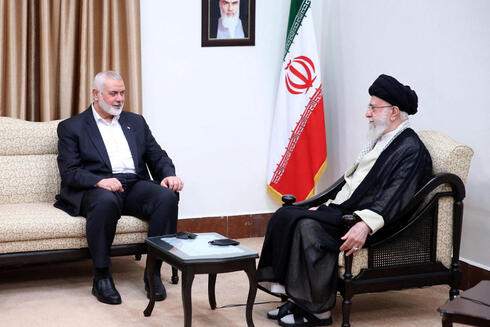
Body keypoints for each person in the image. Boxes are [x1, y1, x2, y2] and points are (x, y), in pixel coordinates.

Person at [256, 74, 433, 327]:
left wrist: (365, 225)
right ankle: (295, 297)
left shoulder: (410, 149)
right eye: (369, 107)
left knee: (307, 226)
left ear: (394, 112)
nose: (367, 113)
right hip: (347, 211)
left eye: (373, 107)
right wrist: (327, 205)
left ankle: (318, 311)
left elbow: (396, 196)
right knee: (285, 215)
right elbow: (353, 183)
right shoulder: (382, 139)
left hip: (373, 223)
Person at [54, 71, 184, 305]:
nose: (119, 98)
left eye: (122, 93)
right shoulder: (72, 127)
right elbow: (70, 171)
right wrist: (99, 181)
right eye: (113, 93)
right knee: (105, 201)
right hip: (96, 188)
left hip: (132, 185)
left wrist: (168, 175)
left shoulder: (136, 122)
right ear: (96, 94)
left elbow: (157, 155)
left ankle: (152, 272)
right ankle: (102, 277)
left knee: (166, 197)